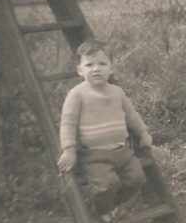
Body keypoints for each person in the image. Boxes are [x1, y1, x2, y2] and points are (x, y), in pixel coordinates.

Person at [57, 39, 153, 222]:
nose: (96, 69)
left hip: (123, 152)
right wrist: (69, 150)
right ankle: (101, 210)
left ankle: (113, 205)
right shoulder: (77, 94)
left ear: (111, 68)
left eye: (102, 64)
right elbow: (67, 123)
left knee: (137, 179)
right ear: (80, 70)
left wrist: (144, 133)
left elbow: (132, 116)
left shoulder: (117, 92)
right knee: (108, 184)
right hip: (94, 155)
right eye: (89, 64)